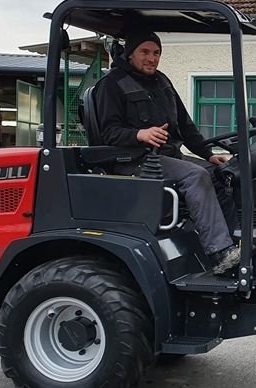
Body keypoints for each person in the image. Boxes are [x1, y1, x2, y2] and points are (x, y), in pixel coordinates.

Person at [94, 30, 240, 276]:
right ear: (130, 54)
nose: (152, 58)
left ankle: (231, 245)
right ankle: (219, 252)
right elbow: (108, 132)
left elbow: (185, 125)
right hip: (135, 161)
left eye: (156, 53)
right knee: (196, 177)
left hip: (169, 157)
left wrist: (207, 154)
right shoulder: (112, 85)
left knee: (219, 174)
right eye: (145, 52)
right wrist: (140, 134)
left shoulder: (162, 82)